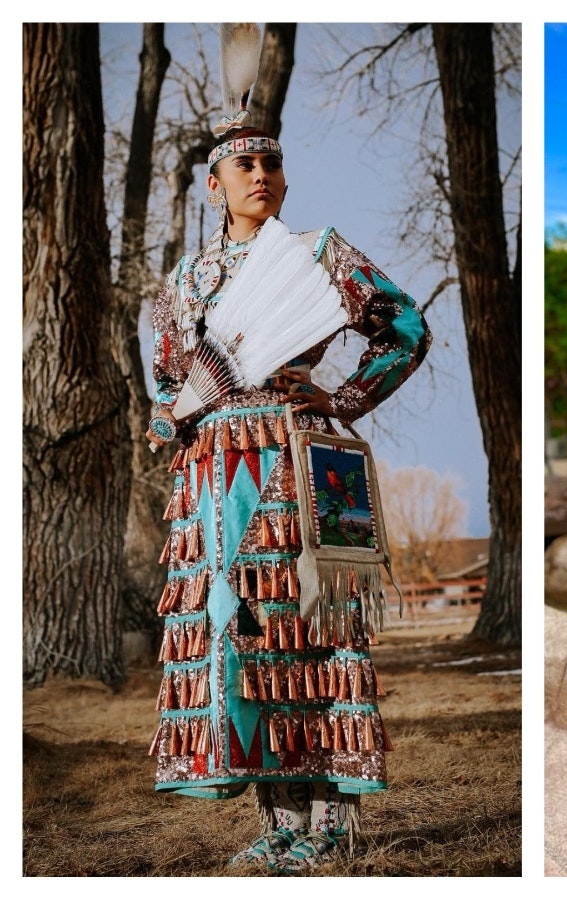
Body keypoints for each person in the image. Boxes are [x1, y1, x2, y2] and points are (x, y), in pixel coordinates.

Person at [144, 123, 431, 871]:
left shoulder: (320, 253)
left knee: (309, 623)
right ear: (215, 185)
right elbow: (170, 379)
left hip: (302, 458)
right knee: (236, 632)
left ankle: (331, 824)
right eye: (243, 164)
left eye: (272, 161)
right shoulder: (185, 281)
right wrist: (166, 418)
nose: (260, 173)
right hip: (214, 477)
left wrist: (343, 397)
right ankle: (280, 820)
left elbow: (405, 329)